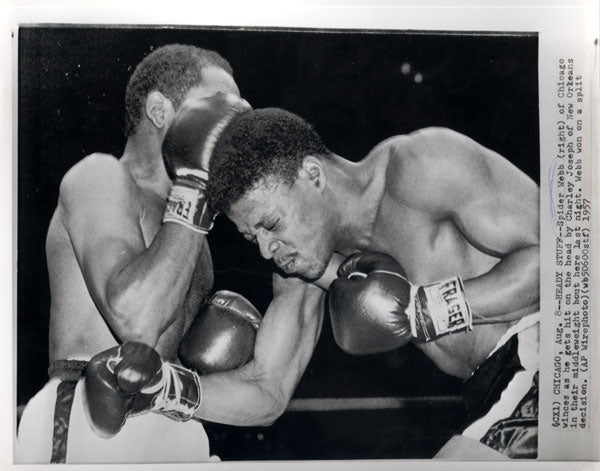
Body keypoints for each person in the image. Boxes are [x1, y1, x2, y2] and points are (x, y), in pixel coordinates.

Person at [204, 108, 540, 459]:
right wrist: (166, 389)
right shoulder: (302, 266)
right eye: (250, 237)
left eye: (271, 224)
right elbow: (267, 390)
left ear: (313, 175)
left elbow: (561, 259)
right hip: (491, 391)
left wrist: (425, 312)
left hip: (551, 353)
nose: (266, 249)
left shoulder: (422, 166)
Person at [16, 43, 261, 463]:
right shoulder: (100, 176)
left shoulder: (190, 233)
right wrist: (195, 190)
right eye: (218, 106)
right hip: (93, 420)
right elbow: (137, 322)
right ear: (160, 110)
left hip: (176, 421)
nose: (231, 126)